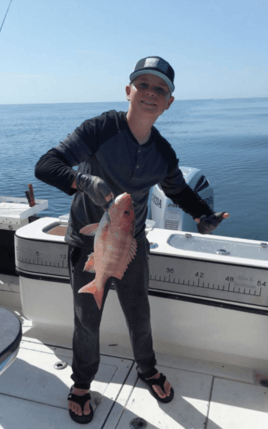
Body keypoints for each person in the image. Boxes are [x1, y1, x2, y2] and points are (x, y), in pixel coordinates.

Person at [35, 56, 229, 424]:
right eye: (143, 85)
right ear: (128, 91)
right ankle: (81, 384)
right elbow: (47, 164)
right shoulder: (100, 128)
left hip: (132, 245)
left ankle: (147, 368)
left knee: (139, 314)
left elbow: (179, 191)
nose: (150, 93)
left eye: (160, 89)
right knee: (87, 320)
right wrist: (81, 181)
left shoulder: (163, 152)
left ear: (169, 103)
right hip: (87, 243)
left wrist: (204, 216)